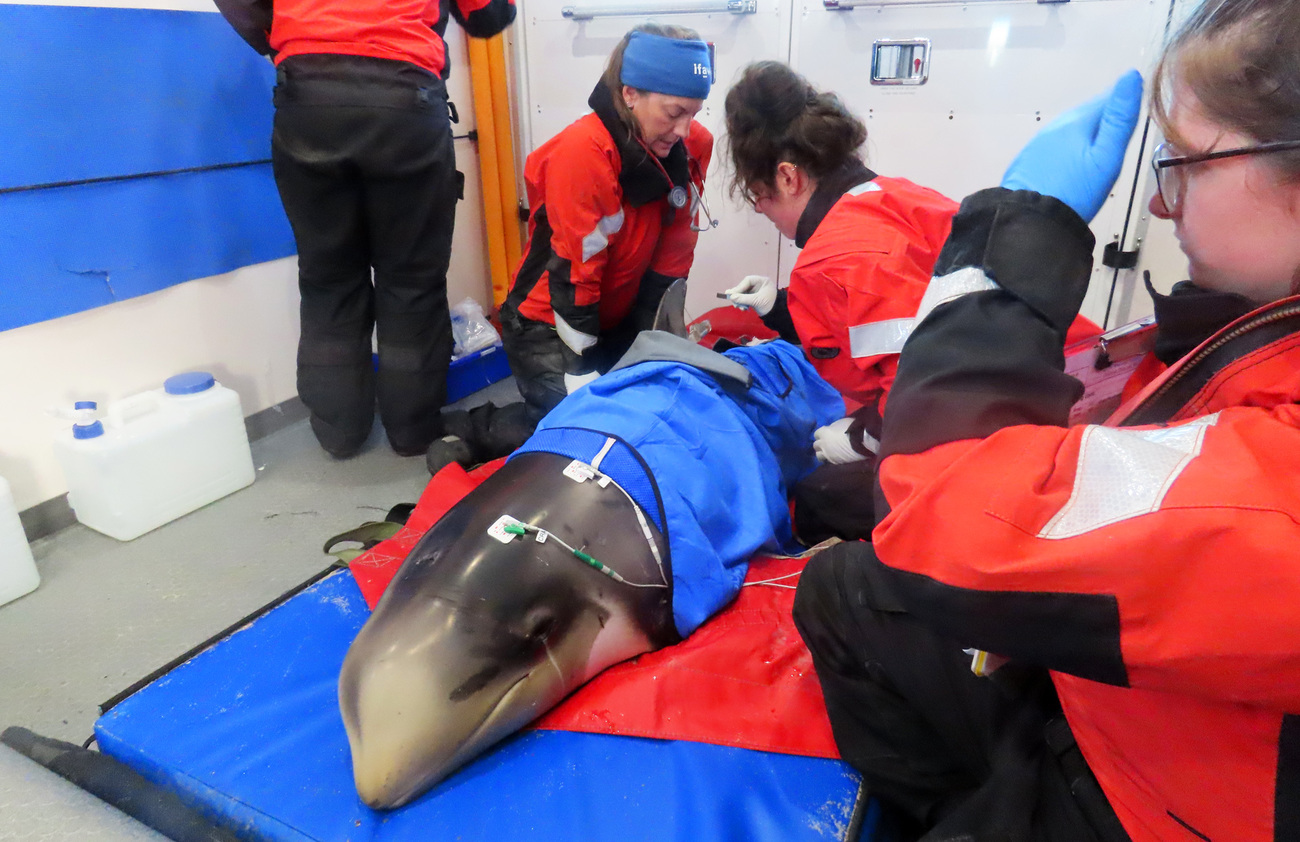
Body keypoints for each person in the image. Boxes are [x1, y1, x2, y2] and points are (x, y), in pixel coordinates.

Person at [793, 0, 1300, 838]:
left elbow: (940, 519)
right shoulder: (1255, 328)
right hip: (1144, 692)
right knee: (842, 584)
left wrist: (1012, 248)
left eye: (1184, 164)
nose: (1164, 208)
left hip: (1148, 795)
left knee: (853, 537)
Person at [721, 63, 1097, 544]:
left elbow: (942, 388)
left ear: (788, 178)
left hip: (1021, 429)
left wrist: (864, 438)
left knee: (819, 497)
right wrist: (780, 307)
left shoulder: (831, 260)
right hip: (1067, 375)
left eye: (758, 197)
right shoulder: (889, 196)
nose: (761, 211)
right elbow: (902, 316)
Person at [213, 0, 516, 459]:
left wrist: (294, 35)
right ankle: (413, 432)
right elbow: (490, 14)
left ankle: (339, 434)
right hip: (404, 100)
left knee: (328, 279)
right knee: (411, 281)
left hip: (308, 99)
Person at [426, 23, 714, 475]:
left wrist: (653, 337)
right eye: (674, 112)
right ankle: (472, 430)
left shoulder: (694, 144)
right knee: (583, 428)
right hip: (547, 322)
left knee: (643, 411)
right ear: (631, 92)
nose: (683, 129)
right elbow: (576, 273)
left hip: (612, 314)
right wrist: (581, 366)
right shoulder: (584, 154)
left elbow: (675, 245)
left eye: (694, 113)